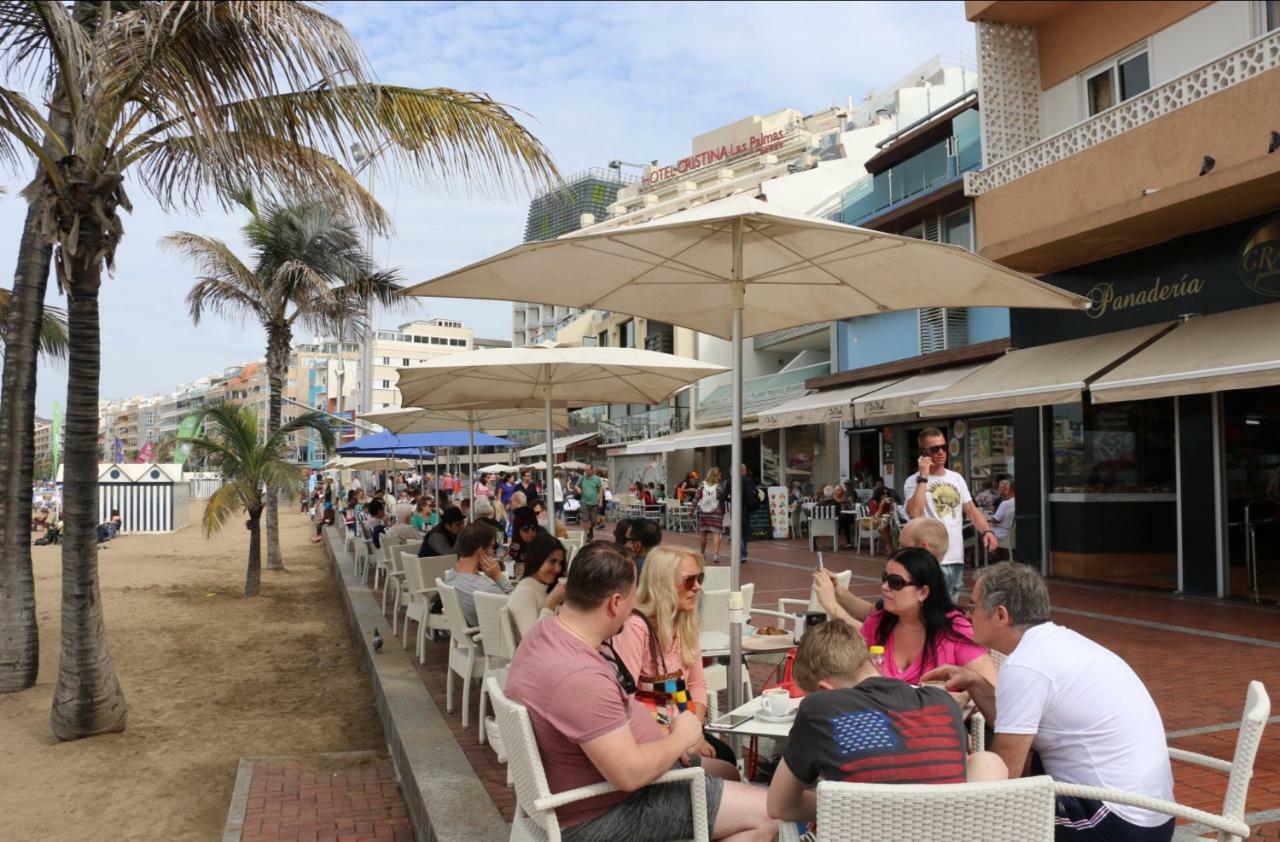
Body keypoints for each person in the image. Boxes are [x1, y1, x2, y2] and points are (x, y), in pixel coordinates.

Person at [504, 542, 775, 842]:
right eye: (633, 596)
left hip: (600, 788)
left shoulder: (544, 634)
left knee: (726, 773)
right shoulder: (580, 676)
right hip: (608, 809)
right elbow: (629, 774)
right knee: (770, 814)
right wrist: (681, 737)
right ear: (616, 603)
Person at [924, 562, 1175, 841]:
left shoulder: (1025, 665)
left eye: (972, 607)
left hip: (1115, 824)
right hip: (1150, 816)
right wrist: (974, 681)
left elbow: (1004, 775)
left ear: (1000, 615)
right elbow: (1015, 725)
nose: (967, 615)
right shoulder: (1057, 643)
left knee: (975, 817)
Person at [767, 619, 1007, 824]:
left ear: (825, 689)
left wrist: (846, 805)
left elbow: (779, 805)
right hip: (944, 828)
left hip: (863, 830)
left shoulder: (819, 707)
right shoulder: (942, 702)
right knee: (987, 760)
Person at [611, 546, 736, 770]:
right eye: (689, 580)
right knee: (722, 765)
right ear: (662, 584)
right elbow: (625, 701)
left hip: (682, 722)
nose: (697, 587)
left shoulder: (685, 621)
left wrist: (694, 732)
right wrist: (678, 741)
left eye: (700, 578)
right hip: (649, 734)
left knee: (725, 757)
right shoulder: (635, 627)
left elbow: (697, 684)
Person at [814, 546, 997, 687]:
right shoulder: (880, 623)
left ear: (923, 592)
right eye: (884, 578)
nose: (885, 586)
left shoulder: (954, 630)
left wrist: (964, 697)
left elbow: (990, 689)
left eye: (895, 582)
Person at [904, 427, 998, 603]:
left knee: (949, 610)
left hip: (955, 557)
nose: (940, 452)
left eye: (944, 447)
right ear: (923, 453)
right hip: (930, 558)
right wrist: (923, 477)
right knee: (930, 611)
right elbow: (914, 513)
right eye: (934, 449)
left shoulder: (956, 478)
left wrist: (987, 531)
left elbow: (971, 509)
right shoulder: (914, 481)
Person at [442, 522, 514, 628]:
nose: (492, 552)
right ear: (481, 551)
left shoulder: (450, 576)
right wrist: (498, 577)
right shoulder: (485, 589)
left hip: (475, 634)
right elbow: (518, 609)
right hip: (498, 638)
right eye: (491, 547)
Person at [509, 532, 567, 640]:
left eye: (560, 563)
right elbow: (532, 641)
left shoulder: (542, 588)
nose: (558, 569)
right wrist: (551, 604)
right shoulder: (524, 593)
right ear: (536, 560)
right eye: (552, 561)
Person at [728, 463, 760, 564]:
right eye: (745, 470)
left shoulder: (730, 481)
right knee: (744, 532)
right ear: (742, 470)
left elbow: (725, 495)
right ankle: (742, 553)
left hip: (735, 508)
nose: (746, 472)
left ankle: (741, 553)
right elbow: (755, 492)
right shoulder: (748, 480)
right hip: (746, 509)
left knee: (738, 532)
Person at [694, 467, 725, 563]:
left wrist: (691, 510)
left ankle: (702, 553)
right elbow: (722, 499)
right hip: (716, 513)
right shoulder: (718, 488)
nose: (720, 477)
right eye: (719, 475)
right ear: (715, 476)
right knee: (716, 533)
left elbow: (696, 499)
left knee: (703, 533)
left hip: (703, 513)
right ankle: (715, 555)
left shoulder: (701, 486)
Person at [574, 464, 604, 541]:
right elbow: (576, 486)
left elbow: (600, 490)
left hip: (594, 503)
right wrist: (578, 489)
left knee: (594, 521)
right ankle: (587, 534)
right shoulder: (582, 478)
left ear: (592, 470)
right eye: (585, 469)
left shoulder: (597, 479)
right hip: (584, 502)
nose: (585, 471)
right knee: (585, 519)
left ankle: (590, 528)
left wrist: (600, 501)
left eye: (587, 469)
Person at [990, 479, 1016, 555]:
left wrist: (985, 519)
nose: (999, 490)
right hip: (1012, 532)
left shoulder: (1005, 503)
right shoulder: (1017, 501)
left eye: (1002, 488)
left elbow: (995, 520)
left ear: (1008, 489)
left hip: (1003, 532)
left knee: (983, 531)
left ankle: (991, 557)